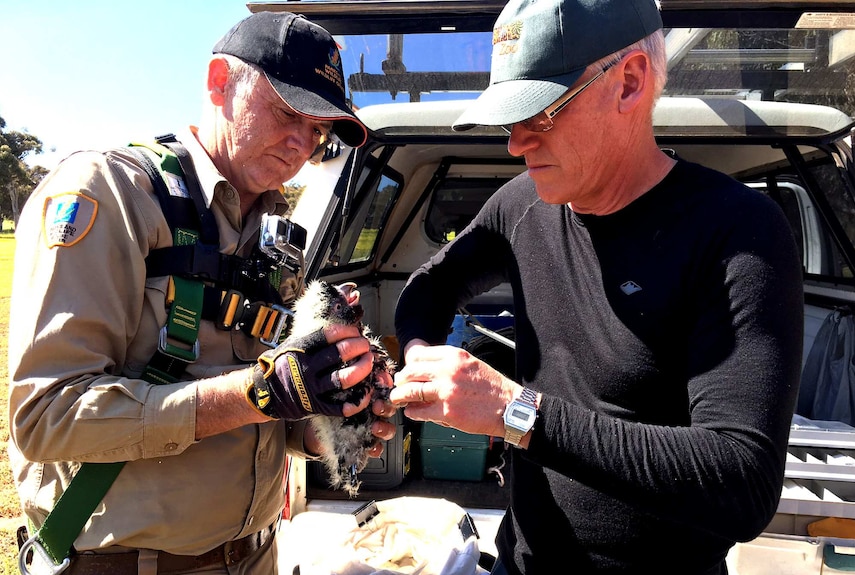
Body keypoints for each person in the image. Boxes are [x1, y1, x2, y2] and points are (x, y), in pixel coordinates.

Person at [389, 0, 804, 574]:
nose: (516, 144)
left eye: (539, 114)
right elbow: (430, 286)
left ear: (629, 83)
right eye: (511, 121)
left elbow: (741, 481)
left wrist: (514, 411)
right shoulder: (520, 206)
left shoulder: (737, 234)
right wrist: (419, 358)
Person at [8, 11, 396, 575]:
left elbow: (268, 415)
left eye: (317, 131)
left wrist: (333, 417)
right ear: (219, 82)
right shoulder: (112, 194)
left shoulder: (275, 233)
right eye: (288, 112)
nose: (301, 144)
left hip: (256, 555)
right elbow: (46, 417)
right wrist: (256, 394)